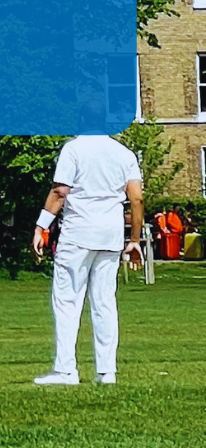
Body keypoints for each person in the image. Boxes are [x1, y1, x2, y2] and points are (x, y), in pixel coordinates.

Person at [34, 133, 145, 386]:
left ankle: (65, 370)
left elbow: (60, 192)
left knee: (67, 302)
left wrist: (41, 227)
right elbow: (136, 198)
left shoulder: (73, 149)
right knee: (104, 302)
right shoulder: (124, 153)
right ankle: (106, 371)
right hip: (111, 234)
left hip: (78, 232)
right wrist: (135, 240)